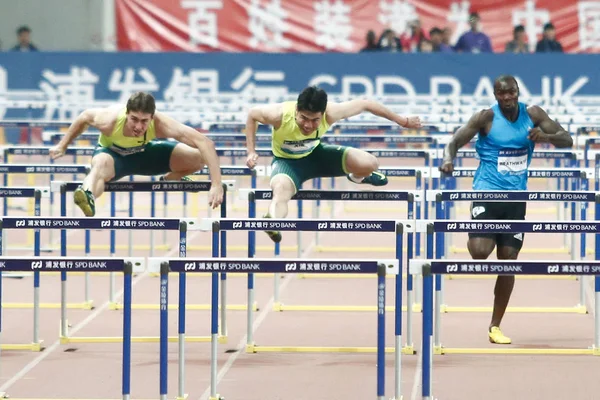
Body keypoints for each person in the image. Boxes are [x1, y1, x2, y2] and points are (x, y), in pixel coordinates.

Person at [439, 75, 573, 344]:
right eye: (501, 94)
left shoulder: (533, 114)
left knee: (509, 260)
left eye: (511, 92)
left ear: (518, 91)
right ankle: (476, 231)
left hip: (515, 198)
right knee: (479, 254)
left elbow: (567, 139)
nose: (507, 98)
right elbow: (454, 141)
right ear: (495, 95)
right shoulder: (485, 117)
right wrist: (447, 159)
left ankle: (495, 326)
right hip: (487, 193)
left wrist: (545, 136)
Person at [244, 85, 422, 243]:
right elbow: (252, 115)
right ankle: (273, 222)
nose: (308, 125)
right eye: (304, 118)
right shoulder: (279, 115)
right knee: (281, 190)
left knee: (370, 163)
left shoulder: (331, 112)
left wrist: (403, 121)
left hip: (317, 156)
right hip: (287, 164)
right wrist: (251, 151)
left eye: (315, 120)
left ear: (322, 114)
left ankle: (358, 178)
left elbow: (366, 104)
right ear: (297, 110)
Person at [49, 92, 224, 216]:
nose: (138, 127)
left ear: (152, 117)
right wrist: (62, 145)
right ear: (126, 114)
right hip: (113, 157)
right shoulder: (109, 120)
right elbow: (84, 117)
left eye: (144, 121)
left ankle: (173, 178)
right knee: (99, 167)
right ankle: (87, 194)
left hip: (145, 154)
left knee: (199, 157)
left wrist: (216, 184)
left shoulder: (162, 123)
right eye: (134, 119)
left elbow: (205, 143)